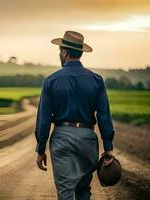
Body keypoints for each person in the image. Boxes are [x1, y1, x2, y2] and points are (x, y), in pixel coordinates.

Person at [34, 31, 115, 200]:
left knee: (65, 192)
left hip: (62, 139)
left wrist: (41, 149)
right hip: (87, 139)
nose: (59, 54)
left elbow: (44, 120)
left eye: (60, 51)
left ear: (65, 52)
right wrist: (108, 147)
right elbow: (104, 115)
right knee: (83, 190)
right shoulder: (97, 80)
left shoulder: (51, 81)